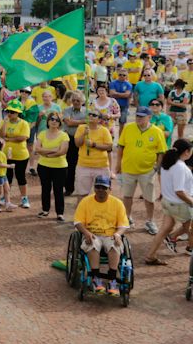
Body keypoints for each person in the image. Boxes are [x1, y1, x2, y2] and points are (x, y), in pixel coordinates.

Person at [115, 106, 167, 235]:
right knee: (127, 196)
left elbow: (161, 152)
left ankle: (150, 220)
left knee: (149, 198)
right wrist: (118, 164)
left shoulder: (157, 131)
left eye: (142, 116)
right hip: (128, 168)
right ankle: (127, 217)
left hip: (147, 171)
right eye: (137, 116)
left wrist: (156, 167)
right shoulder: (128, 128)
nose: (139, 118)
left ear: (149, 117)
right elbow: (121, 147)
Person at [73, 175, 129, 296]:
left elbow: (124, 224)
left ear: (109, 189)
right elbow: (78, 221)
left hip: (110, 235)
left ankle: (113, 280)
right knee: (93, 244)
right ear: (94, 188)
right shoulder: (86, 202)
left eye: (103, 187)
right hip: (92, 234)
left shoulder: (117, 203)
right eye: (98, 187)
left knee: (115, 245)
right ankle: (96, 278)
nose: (100, 190)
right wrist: (86, 233)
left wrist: (118, 234)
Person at [144, 139, 193, 264]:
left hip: (168, 202)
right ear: (186, 152)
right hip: (180, 205)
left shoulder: (168, 163)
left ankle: (150, 256)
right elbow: (179, 191)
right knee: (191, 232)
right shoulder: (180, 167)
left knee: (165, 229)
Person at [35, 112, 69, 221]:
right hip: (43, 166)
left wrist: (47, 154)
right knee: (45, 188)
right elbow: (37, 149)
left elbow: (62, 151)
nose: (54, 121)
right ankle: (45, 210)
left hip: (60, 167)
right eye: (52, 119)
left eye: (57, 120)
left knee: (58, 190)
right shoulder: (42, 133)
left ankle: (60, 213)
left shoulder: (64, 135)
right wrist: (54, 150)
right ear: (48, 121)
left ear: (60, 123)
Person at [0, 100, 31, 208]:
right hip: (6, 154)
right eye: (9, 111)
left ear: (18, 113)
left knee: (21, 176)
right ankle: (5, 196)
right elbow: (1, 134)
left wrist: (8, 138)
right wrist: (5, 123)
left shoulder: (24, 123)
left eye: (12, 111)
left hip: (21, 155)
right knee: (7, 177)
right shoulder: (5, 121)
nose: (10, 113)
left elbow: (23, 138)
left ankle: (24, 198)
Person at [73, 111, 114, 195]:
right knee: (82, 193)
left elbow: (109, 146)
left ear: (99, 120)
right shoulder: (81, 128)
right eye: (89, 114)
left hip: (101, 166)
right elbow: (77, 144)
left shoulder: (104, 130)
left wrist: (94, 145)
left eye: (94, 115)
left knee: (102, 193)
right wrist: (84, 134)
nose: (91, 116)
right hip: (83, 166)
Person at [0, 139, 16, 212]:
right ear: (2, 145)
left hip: (2, 175)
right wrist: (10, 166)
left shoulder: (1, 153)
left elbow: (3, 160)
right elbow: (0, 164)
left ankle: (8, 204)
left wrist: (8, 156)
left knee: (7, 189)